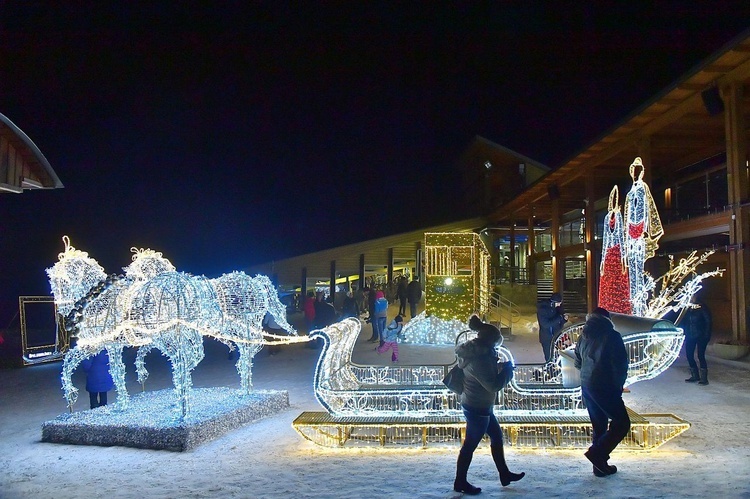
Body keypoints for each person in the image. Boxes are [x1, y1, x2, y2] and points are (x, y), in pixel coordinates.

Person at [453, 315, 525, 494]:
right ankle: (460, 482)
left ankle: (504, 473)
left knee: (496, 436)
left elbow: (485, 377)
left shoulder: (477, 353)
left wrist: (498, 368)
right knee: (470, 445)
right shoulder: (480, 359)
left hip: (478, 403)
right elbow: (493, 385)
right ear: (491, 342)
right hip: (478, 406)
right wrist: (507, 371)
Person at [574, 307, 630, 477]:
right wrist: (618, 386)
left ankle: (599, 467)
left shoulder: (583, 335)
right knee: (622, 423)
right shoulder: (612, 336)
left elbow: (577, 361)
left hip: (587, 385)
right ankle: (597, 454)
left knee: (599, 426)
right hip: (605, 386)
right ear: (607, 319)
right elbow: (619, 365)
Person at [682, 298, 712, 385]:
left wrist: (706, 335)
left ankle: (704, 378)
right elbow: (684, 321)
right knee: (689, 355)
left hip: (701, 335)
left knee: (700, 356)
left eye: (692, 297)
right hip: (690, 335)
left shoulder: (702, 308)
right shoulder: (687, 309)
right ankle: (695, 375)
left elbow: (708, 321)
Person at [536, 292, 568, 362]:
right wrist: (559, 318)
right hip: (547, 338)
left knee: (558, 358)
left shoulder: (557, 308)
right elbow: (545, 324)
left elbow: (558, 322)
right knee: (549, 358)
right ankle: (550, 371)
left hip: (557, 336)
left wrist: (563, 319)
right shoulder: (543, 309)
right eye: (559, 303)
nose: (560, 304)